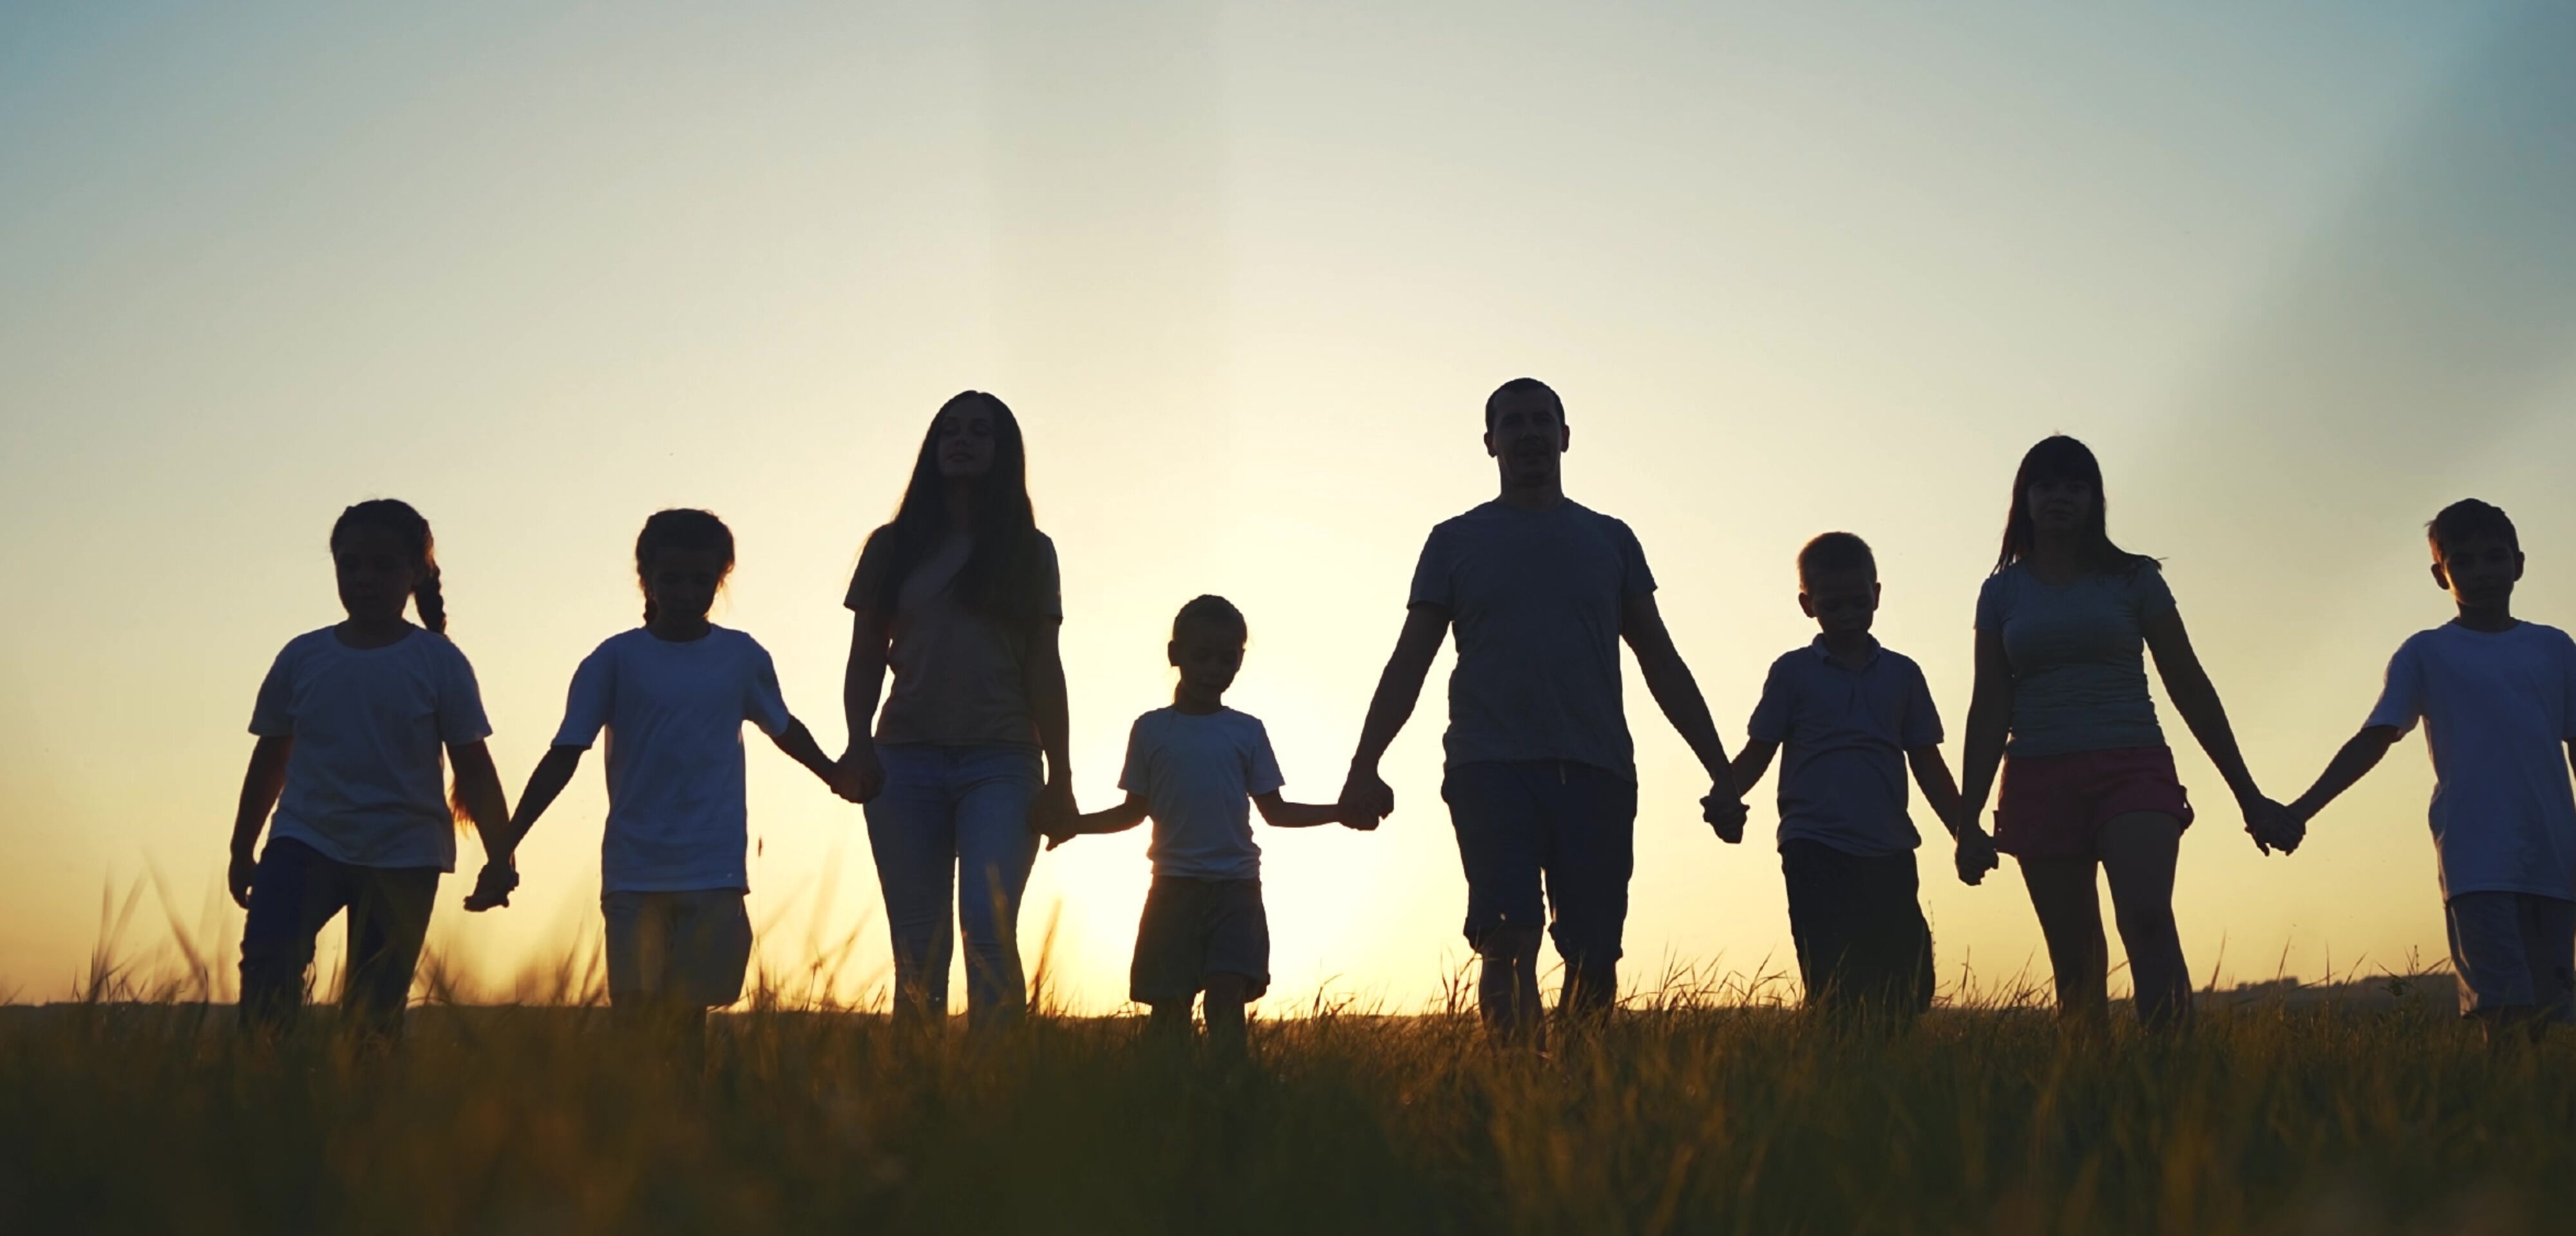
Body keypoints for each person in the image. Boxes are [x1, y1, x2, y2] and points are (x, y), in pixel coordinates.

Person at [1340, 377, 1750, 1045]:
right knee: (1507, 936)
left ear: (1564, 437)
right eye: (1512, 422)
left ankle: (1576, 1091)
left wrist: (1721, 771)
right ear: (1490, 442)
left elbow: (1661, 661)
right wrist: (1364, 765)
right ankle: (1516, 1093)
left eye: (1541, 421)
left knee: (1593, 954)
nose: (1528, 433)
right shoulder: (1453, 541)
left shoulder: (1610, 540)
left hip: (1597, 771)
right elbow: (1407, 662)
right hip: (1489, 765)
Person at [1955, 436, 2292, 1031]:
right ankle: (2092, 1085)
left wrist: (2249, 793)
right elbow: (1989, 705)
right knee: (2076, 958)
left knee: (2146, 917)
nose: (2061, 496)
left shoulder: (2134, 580)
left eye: (2075, 486)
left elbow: (2189, 684)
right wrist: (1968, 819)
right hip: (2038, 772)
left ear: (2095, 500)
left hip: (2132, 764)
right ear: (2024, 500)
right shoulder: (2002, 592)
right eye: (2047, 485)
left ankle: (2171, 1075)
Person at [468, 510, 844, 1039]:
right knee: (637, 1021)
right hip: (635, 872)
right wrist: (503, 847)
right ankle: (638, 1118)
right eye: (672, 579)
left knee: (686, 1021)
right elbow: (564, 754)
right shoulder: (614, 660)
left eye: (701, 581)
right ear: (646, 578)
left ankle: (685, 1119)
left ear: (721, 578)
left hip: (712, 872)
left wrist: (836, 775)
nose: (687, 593)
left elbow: (784, 729)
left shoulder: (740, 657)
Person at [2281, 500, 2576, 1049]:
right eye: (2463, 561)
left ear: (2519, 563)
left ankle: (2538, 1132)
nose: (2483, 571)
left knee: (2551, 1024)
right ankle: (2491, 1128)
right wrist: (2300, 811)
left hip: (2554, 862)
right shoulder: (2427, 653)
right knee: (2505, 1017)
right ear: (2441, 576)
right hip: (2477, 862)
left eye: (2495, 557)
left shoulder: (2554, 649)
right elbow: (2376, 738)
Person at [226, 499, 511, 1039]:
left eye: (383, 566)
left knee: (372, 1009)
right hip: (305, 840)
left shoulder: (438, 661)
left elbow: (473, 766)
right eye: (350, 565)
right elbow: (271, 758)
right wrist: (242, 848)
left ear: (415, 573)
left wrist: (502, 856)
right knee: (268, 964)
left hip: (404, 852)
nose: (364, 579)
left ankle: (359, 1110)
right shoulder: (303, 657)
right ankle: (268, 1095)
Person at [837, 391, 1075, 1029]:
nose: (962, 441)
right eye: (950, 431)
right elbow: (865, 655)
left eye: (980, 432)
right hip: (903, 762)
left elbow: (1043, 666)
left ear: (1004, 452)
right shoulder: (891, 548)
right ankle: (918, 1095)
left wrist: (1063, 778)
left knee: (987, 928)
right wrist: (858, 743)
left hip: (1002, 760)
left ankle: (998, 1092)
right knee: (918, 949)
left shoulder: (1030, 550)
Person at [1048, 596, 1372, 1057]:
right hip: (1172, 890)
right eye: (1202, 657)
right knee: (1169, 1008)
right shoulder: (1151, 731)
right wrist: (1073, 825)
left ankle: (1231, 1096)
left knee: (1227, 999)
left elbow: (1275, 811)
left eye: (1228, 658)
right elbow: (1133, 813)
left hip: (1235, 890)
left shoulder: (1247, 732)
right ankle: (1172, 1102)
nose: (1214, 669)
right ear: (1175, 655)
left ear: (1241, 659)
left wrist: (1339, 812)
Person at [1730, 532, 1994, 1021]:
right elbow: (1759, 750)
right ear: (1808, 605)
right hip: (1814, 847)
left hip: (1888, 849)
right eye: (1833, 604)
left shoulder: (1903, 675)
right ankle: (1837, 1075)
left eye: (1858, 601)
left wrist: (1966, 830)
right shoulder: (1792, 674)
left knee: (1908, 982)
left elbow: (1928, 764)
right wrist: (1725, 794)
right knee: (1835, 980)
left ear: (1877, 594)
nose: (1848, 614)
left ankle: (1890, 1076)